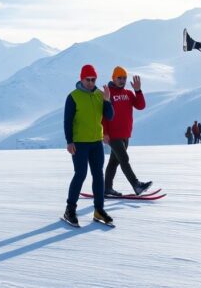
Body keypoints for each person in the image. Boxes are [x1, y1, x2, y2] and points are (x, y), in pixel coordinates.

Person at [62, 64, 115, 227]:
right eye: (88, 80)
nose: (91, 83)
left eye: (93, 80)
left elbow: (110, 116)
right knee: (80, 174)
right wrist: (69, 141)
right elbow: (67, 121)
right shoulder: (73, 96)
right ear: (82, 79)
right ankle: (70, 209)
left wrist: (107, 100)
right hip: (79, 143)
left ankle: (99, 210)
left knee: (98, 175)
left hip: (96, 142)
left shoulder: (100, 95)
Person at [102, 66, 152, 197]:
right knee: (124, 158)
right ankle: (136, 185)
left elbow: (140, 106)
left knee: (114, 161)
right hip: (113, 135)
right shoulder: (108, 94)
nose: (122, 80)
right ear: (113, 78)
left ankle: (106, 188)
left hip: (125, 134)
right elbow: (103, 115)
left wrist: (138, 91)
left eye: (124, 78)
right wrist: (105, 133)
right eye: (119, 78)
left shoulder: (129, 94)